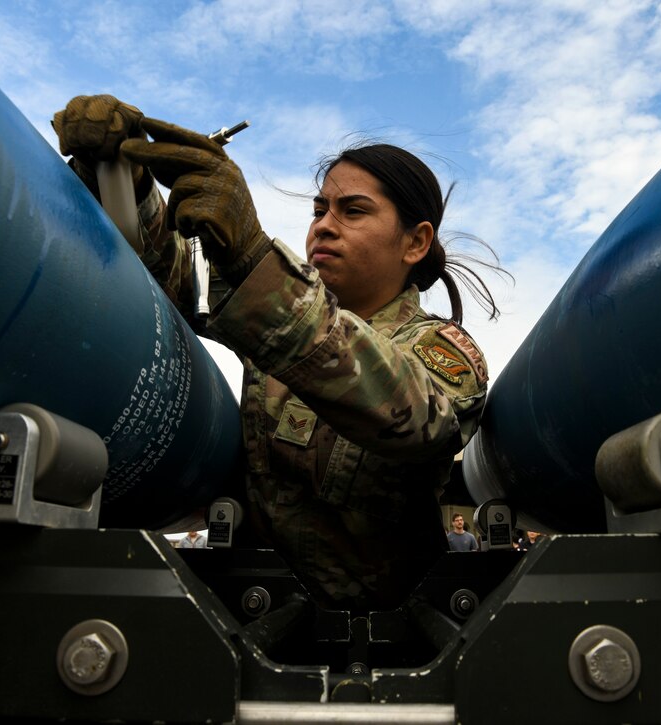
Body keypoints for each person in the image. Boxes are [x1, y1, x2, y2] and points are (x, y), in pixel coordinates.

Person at [52, 95, 504, 611]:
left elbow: (416, 417)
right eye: (319, 210)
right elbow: (175, 284)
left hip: (391, 642)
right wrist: (123, 177)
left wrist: (250, 257)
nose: (323, 225)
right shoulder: (274, 311)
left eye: (352, 210)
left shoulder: (443, 351)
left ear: (415, 242)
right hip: (247, 618)